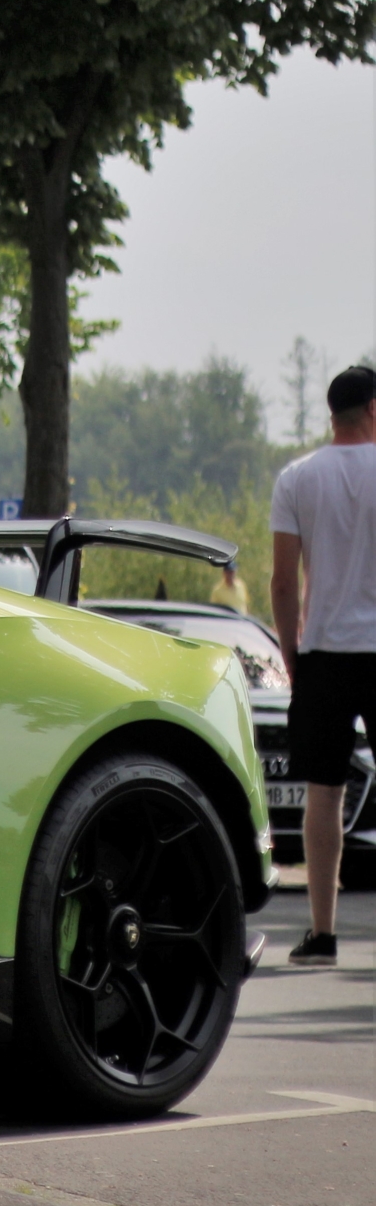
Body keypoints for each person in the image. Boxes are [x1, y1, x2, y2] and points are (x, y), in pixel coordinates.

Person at [268, 363, 376, 964]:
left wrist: (290, 650)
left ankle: (323, 933)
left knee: (324, 792)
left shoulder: (297, 478)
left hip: (326, 652)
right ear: (375, 410)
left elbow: (285, 581)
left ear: (331, 416)